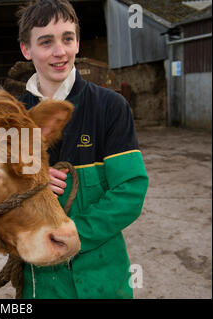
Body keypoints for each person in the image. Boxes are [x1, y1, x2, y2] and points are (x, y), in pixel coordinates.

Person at [16, 0, 149, 298]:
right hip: (42, 283)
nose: (59, 52)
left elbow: (130, 189)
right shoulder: (12, 118)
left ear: (77, 42)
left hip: (103, 278)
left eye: (67, 38)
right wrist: (29, 182)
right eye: (46, 42)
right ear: (27, 49)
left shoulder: (111, 107)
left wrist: (75, 234)